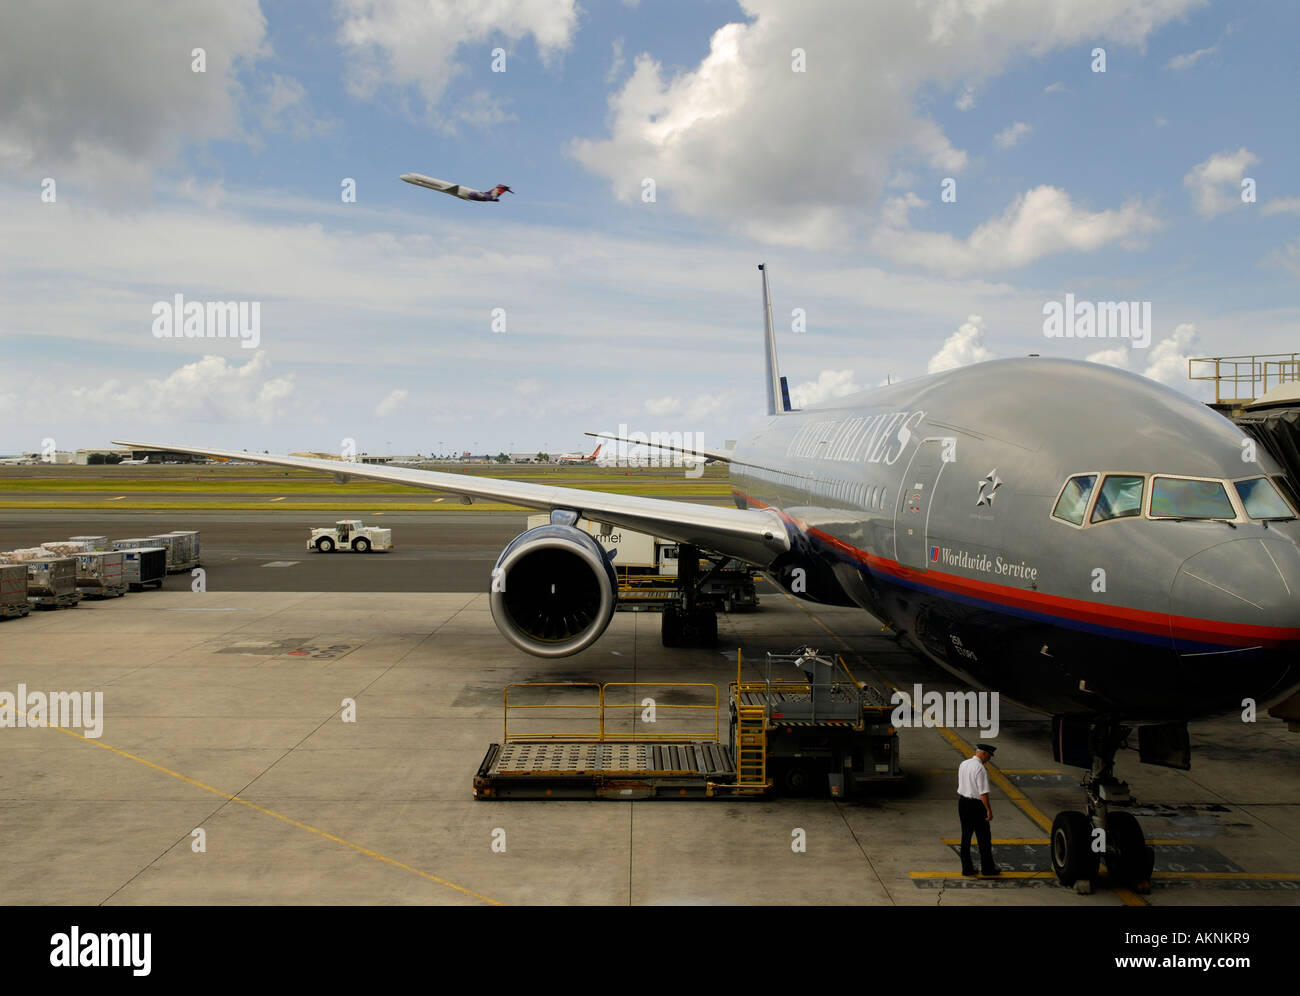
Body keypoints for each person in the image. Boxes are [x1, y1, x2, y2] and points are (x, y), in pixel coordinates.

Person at [957, 743, 1000, 876]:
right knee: (984, 838)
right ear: (984, 754)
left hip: (963, 802)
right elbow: (983, 793)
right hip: (976, 806)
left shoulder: (964, 763)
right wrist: (988, 810)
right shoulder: (980, 769)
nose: (989, 759)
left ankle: (967, 869)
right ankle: (988, 869)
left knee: (966, 836)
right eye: (989, 756)